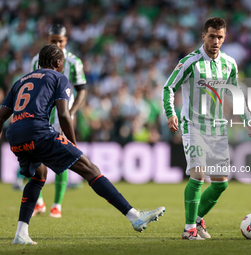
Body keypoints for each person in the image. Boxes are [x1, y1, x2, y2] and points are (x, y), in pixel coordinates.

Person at [0, 44, 165, 245]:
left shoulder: (21, 81)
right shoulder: (58, 77)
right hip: (39, 132)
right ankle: (135, 217)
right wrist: (73, 145)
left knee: (38, 176)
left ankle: (21, 233)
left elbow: (2, 116)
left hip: (16, 135)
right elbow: (64, 113)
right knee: (89, 168)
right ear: (58, 63)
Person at [162, 17, 251, 240]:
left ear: (225, 38)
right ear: (204, 36)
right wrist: (170, 113)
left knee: (220, 184)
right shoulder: (190, 61)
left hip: (218, 129)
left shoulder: (229, 64)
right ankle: (189, 229)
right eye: (212, 36)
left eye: (220, 37)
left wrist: (247, 118)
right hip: (193, 126)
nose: (216, 40)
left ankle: (196, 218)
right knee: (198, 175)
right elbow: (169, 87)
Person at [15, 24, 87, 218]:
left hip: (61, 116)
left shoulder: (74, 62)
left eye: (60, 41)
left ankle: (57, 204)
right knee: (35, 157)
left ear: (66, 41)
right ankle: (38, 201)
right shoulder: (35, 61)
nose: (57, 43)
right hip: (40, 116)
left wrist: (71, 112)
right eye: (53, 40)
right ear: (47, 39)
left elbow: (82, 90)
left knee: (61, 157)